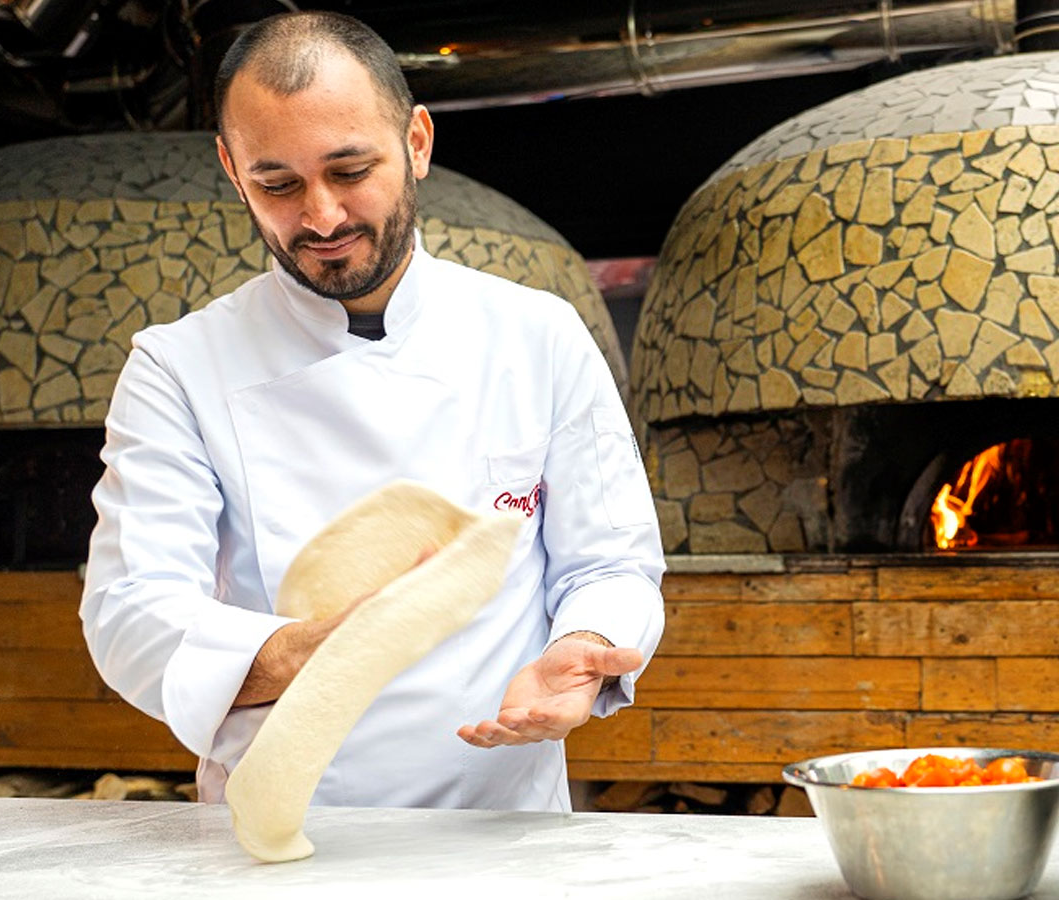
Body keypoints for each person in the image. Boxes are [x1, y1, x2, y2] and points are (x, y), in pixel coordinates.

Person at [79, 10, 664, 811]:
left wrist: (583, 644)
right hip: (282, 838)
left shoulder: (538, 335)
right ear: (231, 169)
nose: (320, 217)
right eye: (277, 184)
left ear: (417, 143)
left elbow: (610, 562)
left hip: (505, 836)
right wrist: (325, 652)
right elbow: (131, 613)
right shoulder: (178, 368)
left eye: (350, 170)